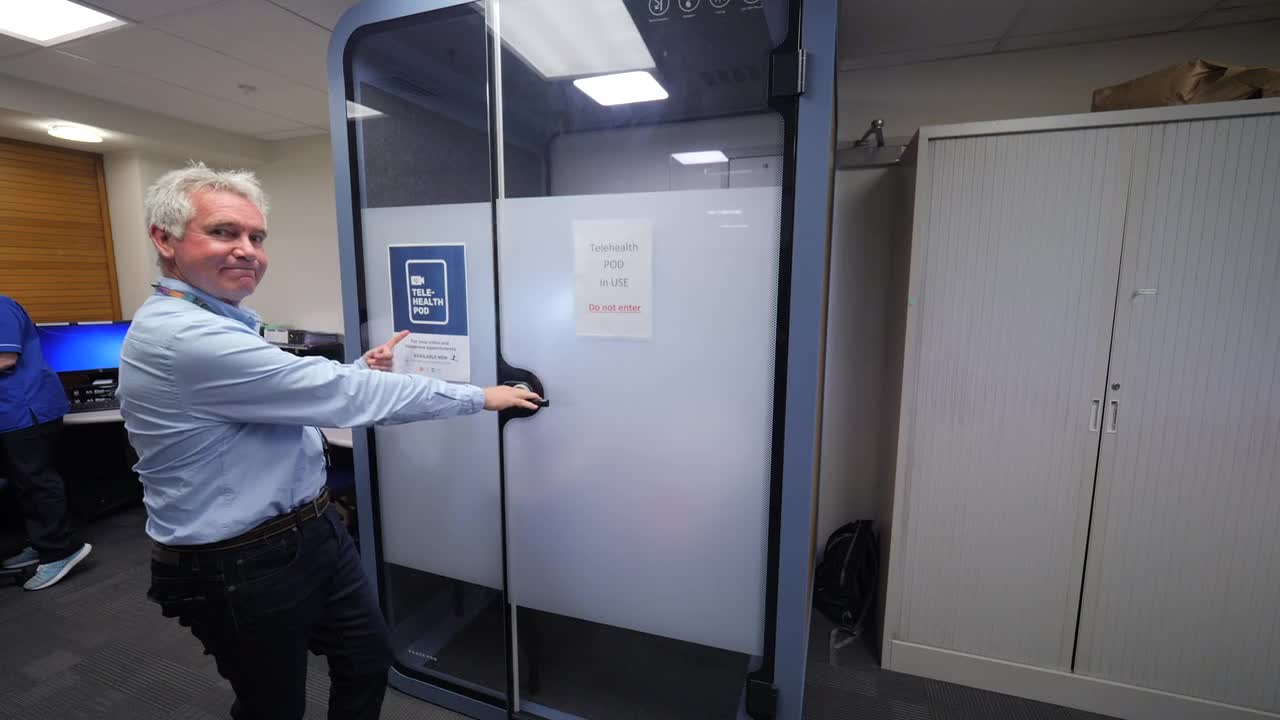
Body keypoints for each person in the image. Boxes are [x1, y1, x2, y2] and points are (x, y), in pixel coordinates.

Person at [116, 163, 540, 720]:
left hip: (310, 532)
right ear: (164, 239)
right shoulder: (183, 336)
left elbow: (289, 394)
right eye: (223, 232)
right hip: (238, 562)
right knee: (273, 707)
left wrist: (360, 369)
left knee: (367, 659)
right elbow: (337, 395)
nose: (247, 250)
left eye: (256, 237)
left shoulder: (223, 322)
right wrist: (480, 396)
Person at [0, 295, 94, 591]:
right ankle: (43, 542)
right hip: (11, 412)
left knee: (35, 481)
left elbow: (5, 359)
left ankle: (61, 550)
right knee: (23, 482)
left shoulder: (1, 307)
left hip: (26, 409)